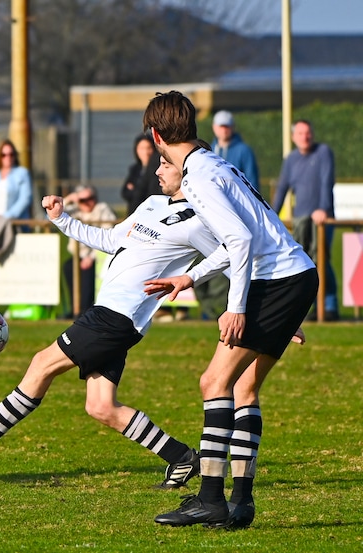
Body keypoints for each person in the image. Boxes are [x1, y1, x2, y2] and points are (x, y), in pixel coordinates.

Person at [0, 154, 213, 489]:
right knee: (101, 406)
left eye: (166, 164)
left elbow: (231, 255)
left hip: (118, 316)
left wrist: (197, 282)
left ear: (188, 171)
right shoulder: (152, 203)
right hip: (111, 313)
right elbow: (110, 240)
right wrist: (62, 219)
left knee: (42, 364)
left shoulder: (199, 221)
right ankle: (182, 457)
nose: (157, 170)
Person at [143, 91, 317, 530]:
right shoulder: (214, 163)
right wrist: (191, 278)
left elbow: (240, 241)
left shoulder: (197, 178)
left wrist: (237, 309)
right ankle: (241, 502)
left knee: (214, 382)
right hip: (295, 275)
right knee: (244, 388)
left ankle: (209, 499)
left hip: (276, 281)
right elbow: (243, 236)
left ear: (157, 135)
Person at [273, 119, 338, 321]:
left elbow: (327, 182)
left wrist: (323, 209)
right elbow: (282, 188)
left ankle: (329, 305)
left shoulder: (323, 152)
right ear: (293, 137)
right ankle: (311, 306)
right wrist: (271, 215)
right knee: (304, 263)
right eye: (300, 133)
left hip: (322, 219)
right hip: (301, 219)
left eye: (308, 133)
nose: (305, 137)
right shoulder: (291, 159)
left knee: (321, 259)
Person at [196, 110, 259, 320]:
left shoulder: (244, 151)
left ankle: (223, 309)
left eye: (227, 126)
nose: (224, 130)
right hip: (208, 218)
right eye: (220, 126)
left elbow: (251, 184)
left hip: (234, 218)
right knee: (203, 261)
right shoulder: (208, 150)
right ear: (214, 128)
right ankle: (208, 308)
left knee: (228, 263)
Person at [60, 185, 117, 316]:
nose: (87, 203)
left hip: (99, 255)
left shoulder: (102, 209)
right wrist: (68, 199)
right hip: (78, 255)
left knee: (87, 272)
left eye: (90, 198)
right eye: (82, 200)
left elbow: (108, 236)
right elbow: (50, 216)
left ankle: (85, 310)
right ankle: (74, 308)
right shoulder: (74, 210)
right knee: (68, 267)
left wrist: (91, 256)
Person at [0, 139, 33, 223]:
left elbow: (25, 198)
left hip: (14, 222)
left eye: (11, 154)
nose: (8, 158)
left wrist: (7, 216)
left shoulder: (22, 173)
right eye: (4, 155)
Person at [121, 134, 163, 214]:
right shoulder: (134, 169)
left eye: (148, 148)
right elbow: (125, 193)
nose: (145, 152)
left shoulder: (158, 170)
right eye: (142, 148)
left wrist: (135, 190)